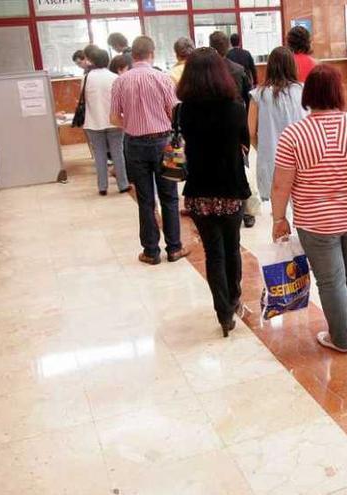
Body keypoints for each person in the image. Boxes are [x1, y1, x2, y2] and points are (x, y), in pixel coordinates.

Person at [271, 64, 347, 353]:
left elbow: (281, 186)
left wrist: (279, 219)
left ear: (308, 94)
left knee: (331, 280)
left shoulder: (293, 135)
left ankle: (341, 339)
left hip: (316, 223)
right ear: (338, 93)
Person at [177, 48, 251, 337]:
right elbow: (244, 145)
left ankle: (223, 314)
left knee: (213, 253)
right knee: (232, 248)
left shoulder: (184, 111)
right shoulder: (235, 109)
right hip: (231, 189)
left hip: (199, 191)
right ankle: (233, 299)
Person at [110, 36, 189, 265]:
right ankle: (175, 248)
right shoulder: (163, 78)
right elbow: (174, 113)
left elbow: (114, 117)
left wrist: (133, 124)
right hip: (166, 143)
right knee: (170, 197)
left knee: (145, 200)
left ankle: (150, 251)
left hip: (134, 144)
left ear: (132, 55)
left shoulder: (120, 81)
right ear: (151, 53)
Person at [210, 31, 256, 228]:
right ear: (227, 46)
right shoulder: (237, 69)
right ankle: (245, 211)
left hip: (213, 127)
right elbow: (248, 97)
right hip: (236, 125)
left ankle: (219, 207)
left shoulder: (206, 72)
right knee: (240, 168)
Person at [249, 47, 308, 202]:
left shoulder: (258, 94)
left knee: (277, 207)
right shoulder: (303, 91)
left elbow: (250, 131)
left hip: (271, 159)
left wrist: (262, 148)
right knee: (300, 202)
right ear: (292, 65)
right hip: (301, 157)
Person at [82, 48, 130, 196]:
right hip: (114, 121)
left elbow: (83, 99)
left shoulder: (86, 78)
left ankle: (102, 187)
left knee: (100, 155)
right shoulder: (115, 77)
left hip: (93, 122)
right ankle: (123, 184)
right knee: (118, 153)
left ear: (91, 61)